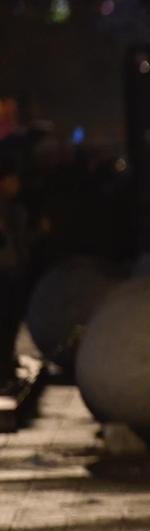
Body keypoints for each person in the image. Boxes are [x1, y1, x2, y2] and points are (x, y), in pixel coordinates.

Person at [0, 157, 29, 395]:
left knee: (9, 325)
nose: (16, 184)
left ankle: (6, 370)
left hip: (11, 273)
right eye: (12, 179)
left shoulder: (14, 209)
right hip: (4, 272)